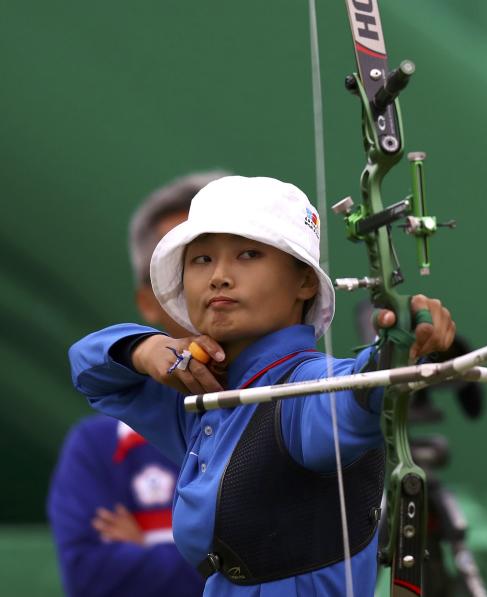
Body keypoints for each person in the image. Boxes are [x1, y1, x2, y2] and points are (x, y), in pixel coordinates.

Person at [68, 175, 455, 595]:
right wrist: (144, 349)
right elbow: (90, 371)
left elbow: (358, 391)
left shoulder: (302, 391)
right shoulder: (203, 393)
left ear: (305, 281)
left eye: (248, 254)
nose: (219, 276)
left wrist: (399, 349)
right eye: (200, 260)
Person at [48, 171, 227, 596]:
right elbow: (91, 576)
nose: (217, 281)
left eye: (245, 255)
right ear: (148, 300)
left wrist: (152, 545)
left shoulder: (295, 401)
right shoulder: (96, 447)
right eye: (191, 263)